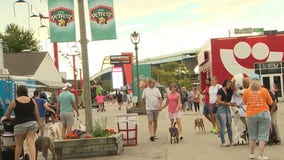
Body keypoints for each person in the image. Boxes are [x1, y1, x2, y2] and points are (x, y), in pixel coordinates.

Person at [5, 85, 40, 160]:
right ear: (26, 92)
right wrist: (39, 124)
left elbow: (7, 115)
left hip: (19, 124)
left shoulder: (14, 102)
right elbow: (37, 113)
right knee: (30, 142)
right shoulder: (32, 100)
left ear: (18, 92)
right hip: (32, 123)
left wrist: (12, 119)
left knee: (19, 145)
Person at [243, 73, 273, 160]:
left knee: (252, 136)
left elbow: (244, 102)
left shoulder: (247, 91)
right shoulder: (264, 90)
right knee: (262, 136)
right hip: (263, 113)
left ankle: (252, 154)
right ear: (259, 81)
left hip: (250, 114)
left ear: (250, 81)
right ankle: (261, 155)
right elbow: (270, 102)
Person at [216, 79, 235, 147]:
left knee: (229, 125)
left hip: (227, 108)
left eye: (230, 84)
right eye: (229, 83)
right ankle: (222, 141)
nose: (230, 85)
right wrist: (227, 103)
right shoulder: (220, 91)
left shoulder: (229, 91)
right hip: (221, 108)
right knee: (223, 125)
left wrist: (233, 104)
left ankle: (231, 141)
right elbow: (218, 101)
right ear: (225, 83)